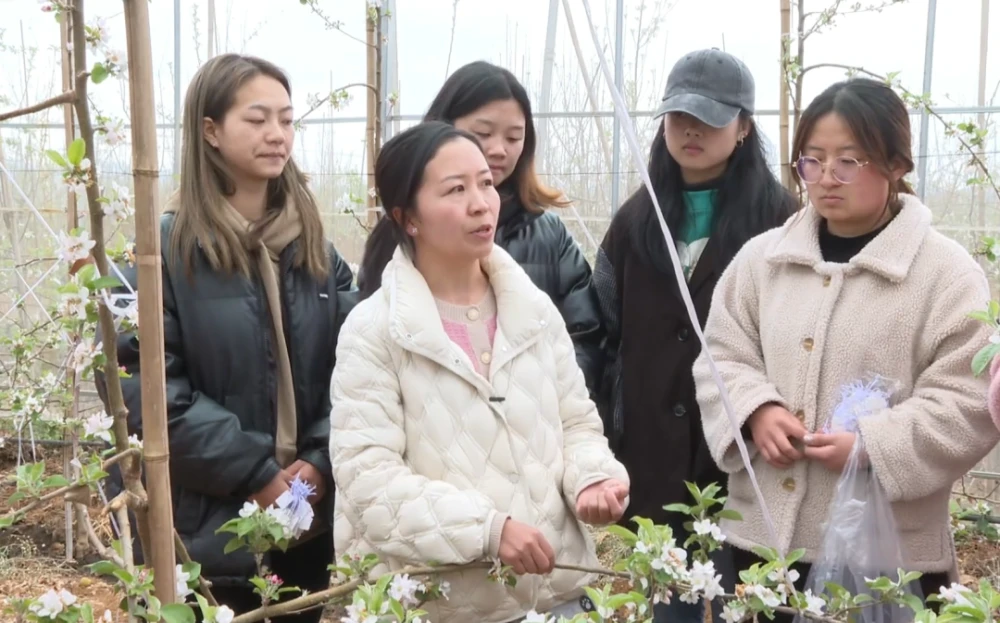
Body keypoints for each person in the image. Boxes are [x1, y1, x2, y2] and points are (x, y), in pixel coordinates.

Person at [693, 77, 1000, 621]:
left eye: (848, 161)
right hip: (759, 550)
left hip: (888, 556)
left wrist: (872, 447)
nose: (825, 178)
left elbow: (968, 398)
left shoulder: (945, 275)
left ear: (896, 164)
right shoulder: (763, 261)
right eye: (811, 161)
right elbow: (721, 353)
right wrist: (756, 410)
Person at [331, 121, 629, 623]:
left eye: (486, 184)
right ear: (407, 218)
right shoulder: (375, 330)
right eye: (455, 190)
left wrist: (592, 480)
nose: (480, 203)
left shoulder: (532, 310)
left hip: (555, 596)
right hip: (439, 606)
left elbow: (576, 423)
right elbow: (370, 482)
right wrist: (488, 530)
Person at [96, 54, 356, 622]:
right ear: (209, 131)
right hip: (199, 537)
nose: (276, 135)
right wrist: (257, 474)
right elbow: (144, 390)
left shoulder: (316, 254)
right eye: (257, 119)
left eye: (286, 120)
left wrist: (317, 459)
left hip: (305, 529)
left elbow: (360, 367)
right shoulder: (154, 256)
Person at [593, 48, 797, 623]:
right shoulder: (636, 221)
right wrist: (617, 415)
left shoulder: (780, 223)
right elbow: (604, 322)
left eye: (710, 118)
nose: (691, 130)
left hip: (744, 459)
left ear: (744, 126)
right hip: (653, 459)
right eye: (679, 115)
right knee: (670, 608)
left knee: (752, 602)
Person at [407, 60, 603, 395]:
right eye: (482, 133)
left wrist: (541, 400)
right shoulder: (413, 228)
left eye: (514, 137)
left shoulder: (550, 235)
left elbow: (586, 336)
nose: (498, 149)